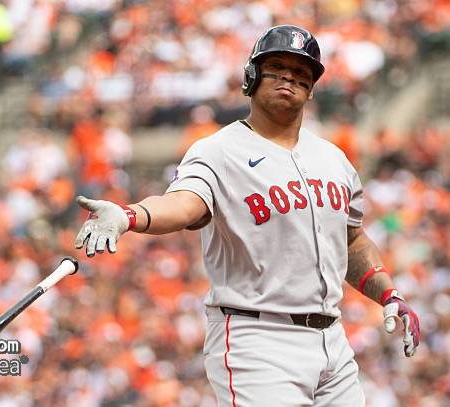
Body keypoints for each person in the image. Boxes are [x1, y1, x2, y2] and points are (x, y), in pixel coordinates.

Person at [73, 25, 420, 406]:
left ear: (311, 88)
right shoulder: (219, 150)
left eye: (301, 71)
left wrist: (388, 292)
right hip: (257, 340)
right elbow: (184, 204)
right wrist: (130, 215)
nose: (289, 77)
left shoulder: (334, 159)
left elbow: (351, 240)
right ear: (251, 76)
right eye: (277, 67)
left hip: (332, 340)